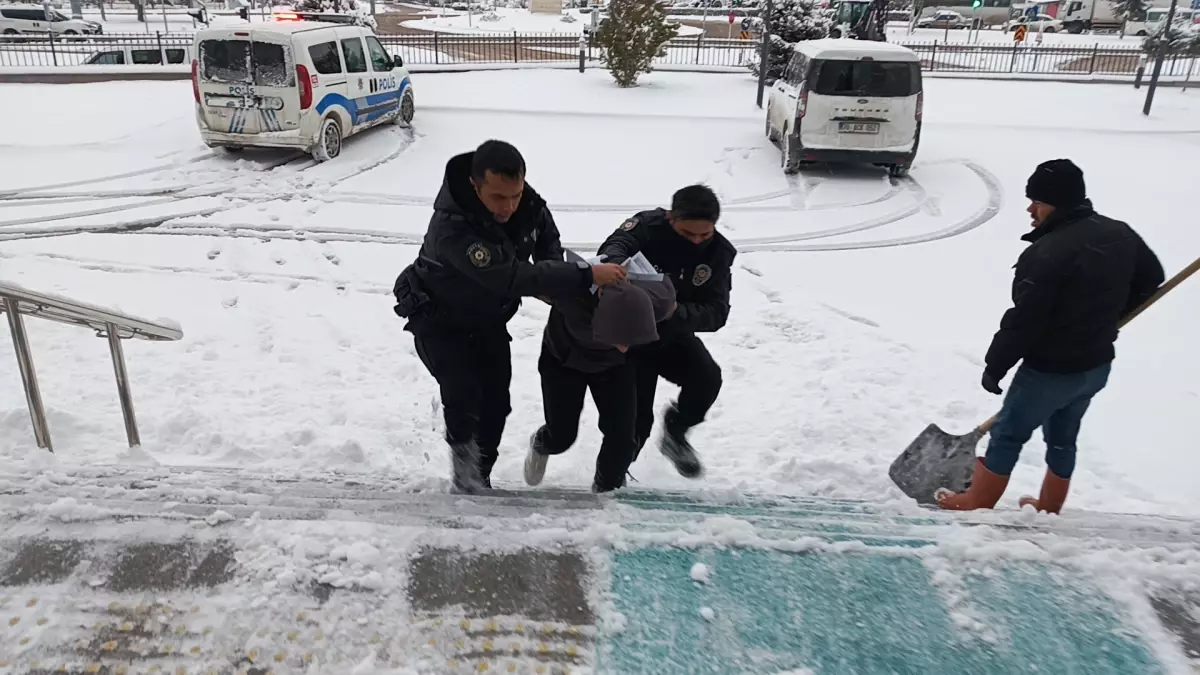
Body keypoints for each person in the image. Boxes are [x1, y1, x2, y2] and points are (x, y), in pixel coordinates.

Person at [391, 140, 628, 494]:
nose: (509, 206)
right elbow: (511, 277)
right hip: (441, 321)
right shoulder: (452, 227)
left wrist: (565, 287)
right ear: (475, 185)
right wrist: (585, 276)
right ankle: (466, 474)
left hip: (488, 319)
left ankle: (481, 474)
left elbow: (547, 249)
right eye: (499, 198)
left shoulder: (527, 204)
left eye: (515, 195)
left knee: (497, 405)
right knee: (464, 393)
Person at [937, 159, 1164, 514]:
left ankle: (977, 501)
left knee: (1008, 433)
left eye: (1037, 201)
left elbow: (1024, 320)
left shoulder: (1047, 253)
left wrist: (995, 365)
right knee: (1063, 437)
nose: (1030, 208)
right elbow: (1152, 278)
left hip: (1050, 371)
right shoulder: (1119, 232)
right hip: (1095, 366)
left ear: (1058, 202)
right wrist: (1108, 316)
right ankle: (1049, 506)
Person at [594, 184, 737, 479]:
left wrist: (676, 313)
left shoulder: (719, 253)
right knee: (635, 424)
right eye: (688, 234)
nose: (697, 241)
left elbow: (717, 312)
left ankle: (675, 432)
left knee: (707, 378)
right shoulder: (647, 227)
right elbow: (614, 247)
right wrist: (616, 267)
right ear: (672, 218)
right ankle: (611, 479)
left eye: (704, 235)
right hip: (631, 339)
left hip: (672, 334)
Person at [525, 266, 677, 493]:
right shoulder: (571, 298)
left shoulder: (659, 301)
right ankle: (542, 443)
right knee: (562, 436)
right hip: (564, 361)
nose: (625, 345)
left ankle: (607, 490)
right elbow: (531, 278)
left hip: (615, 366)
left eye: (631, 339)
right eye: (620, 338)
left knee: (623, 437)